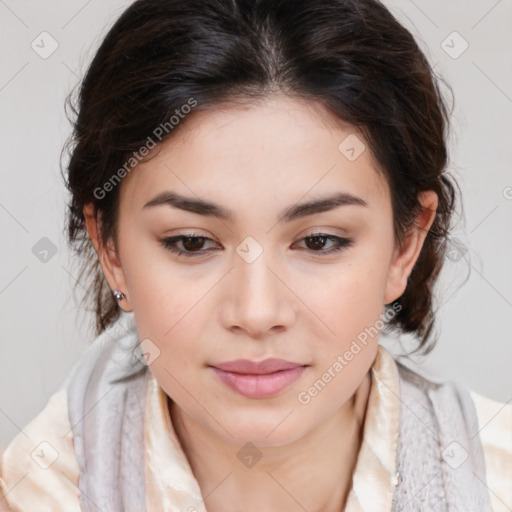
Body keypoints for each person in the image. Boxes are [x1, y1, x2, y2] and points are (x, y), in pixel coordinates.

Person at [1, 0, 510, 511]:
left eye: (319, 241)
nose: (256, 312)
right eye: (192, 242)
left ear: (405, 246)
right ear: (109, 249)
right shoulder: (34, 491)